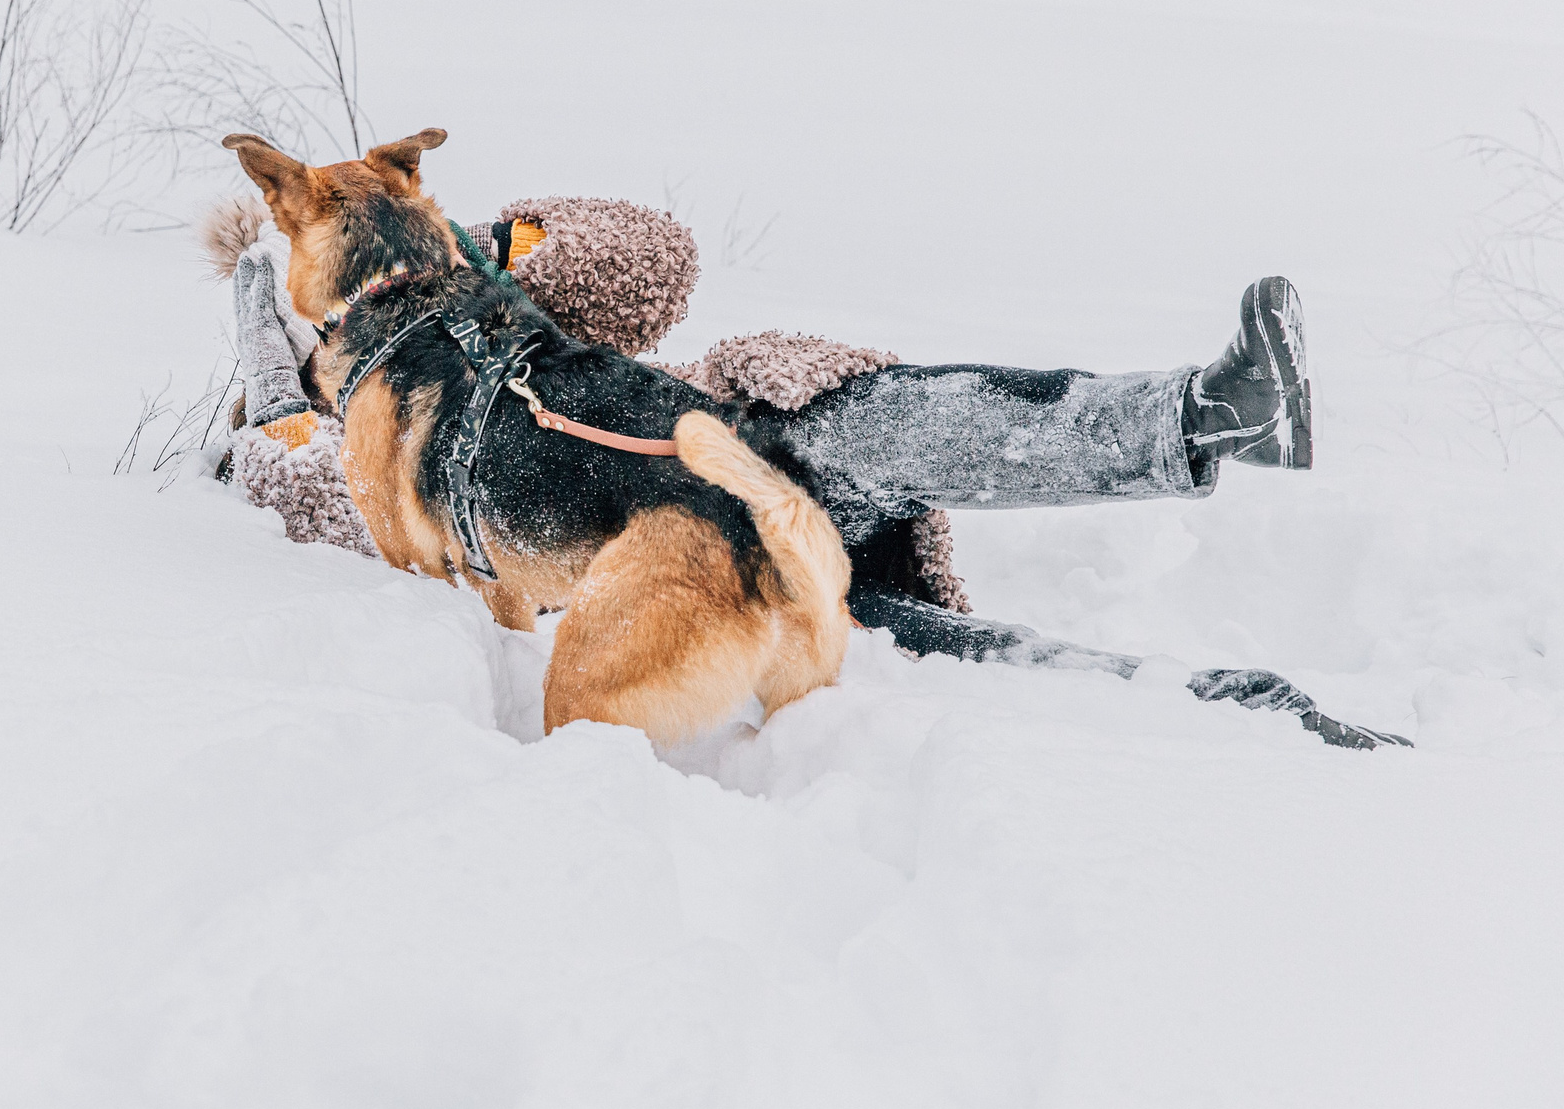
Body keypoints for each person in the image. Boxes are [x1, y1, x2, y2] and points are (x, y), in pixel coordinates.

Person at [213, 195, 1408, 750]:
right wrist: (277, 384)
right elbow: (325, 486)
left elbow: (654, 256)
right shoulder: (355, 432)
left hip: (757, 426)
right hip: (695, 553)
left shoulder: (483, 292)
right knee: (917, 643)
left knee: (903, 417)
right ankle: (1227, 714)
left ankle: (1209, 414)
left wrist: (473, 252)